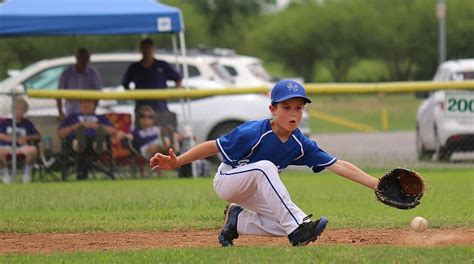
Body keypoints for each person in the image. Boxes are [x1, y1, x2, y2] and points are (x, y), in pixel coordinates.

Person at [149, 80, 379, 247]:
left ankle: (238, 221)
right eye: (286, 107)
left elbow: (337, 164)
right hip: (229, 180)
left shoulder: (300, 143)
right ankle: (297, 232)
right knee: (267, 169)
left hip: (256, 189)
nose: (293, 114)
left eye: (298, 108)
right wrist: (177, 161)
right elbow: (212, 146)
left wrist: (377, 185)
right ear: (272, 109)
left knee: (288, 219)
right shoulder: (253, 131)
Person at [57, 100, 117, 180]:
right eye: (84, 102)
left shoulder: (100, 118)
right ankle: (81, 142)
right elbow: (60, 133)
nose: (86, 105)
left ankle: (98, 145)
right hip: (76, 142)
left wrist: (95, 126)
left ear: (94, 105)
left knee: (99, 139)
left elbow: (113, 132)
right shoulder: (72, 117)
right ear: (80, 104)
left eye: (89, 103)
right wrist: (76, 126)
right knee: (79, 139)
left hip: (95, 141)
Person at [121, 38, 182, 114]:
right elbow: (125, 83)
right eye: (144, 49)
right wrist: (133, 96)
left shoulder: (162, 65)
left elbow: (178, 78)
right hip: (142, 109)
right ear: (141, 50)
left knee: (163, 125)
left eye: (149, 48)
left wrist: (172, 94)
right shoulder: (134, 67)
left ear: (153, 49)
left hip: (160, 107)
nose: (147, 51)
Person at [0, 98, 41, 183]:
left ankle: (26, 175)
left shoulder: (27, 123)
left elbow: (38, 136)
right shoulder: (5, 122)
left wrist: (27, 138)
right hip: (6, 147)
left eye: (23, 110)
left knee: (33, 150)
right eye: (18, 109)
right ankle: (5, 176)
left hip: (22, 148)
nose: (20, 112)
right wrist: (13, 139)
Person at [57, 48, 102, 120]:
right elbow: (58, 94)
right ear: (76, 58)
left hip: (87, 114)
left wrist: (93, 110)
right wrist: (60, 112)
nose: (84, 61)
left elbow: (98, 94)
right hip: (70, 112)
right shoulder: (67, 73)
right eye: (81, 58)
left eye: (86, 58)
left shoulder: (93, 74)